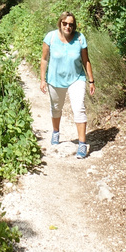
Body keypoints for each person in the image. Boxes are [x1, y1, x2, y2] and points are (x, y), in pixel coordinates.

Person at [39, 11, 95, 159]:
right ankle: (56, 132)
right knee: (56, 107)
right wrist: (42, 79)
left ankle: (82, 144)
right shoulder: (50, 37)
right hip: (55, 80)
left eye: (71, 24)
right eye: (65, 23)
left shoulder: (80, 38)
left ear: (74, 25)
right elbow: (44, 59)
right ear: (60, 23)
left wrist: (91, 80)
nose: (67, 26)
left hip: (76, 79)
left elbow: (86, 60)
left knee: (79, 108)